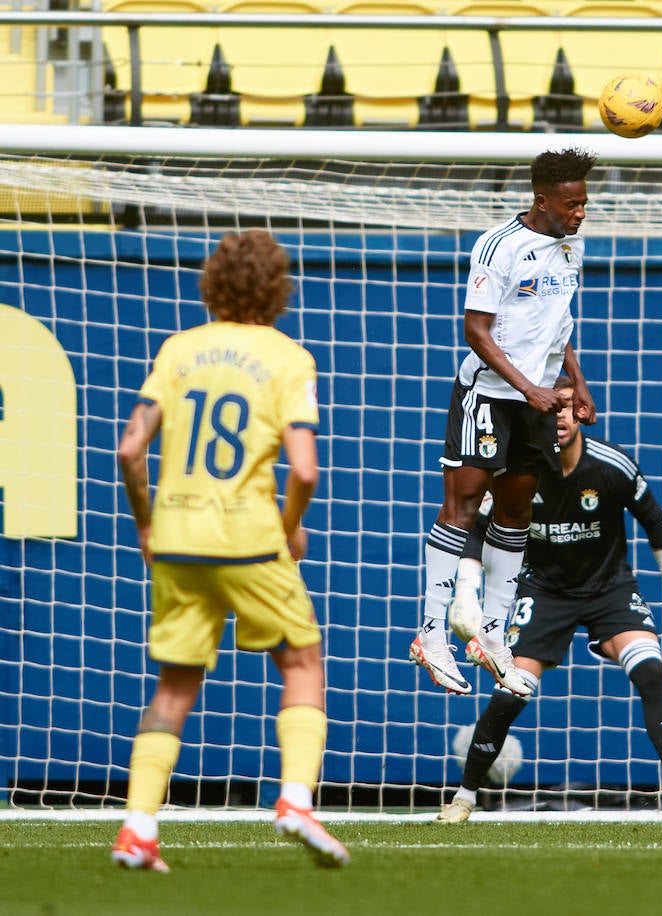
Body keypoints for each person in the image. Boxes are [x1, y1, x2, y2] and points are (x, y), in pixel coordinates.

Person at [110, 230, 348, 872]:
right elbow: (304, 471)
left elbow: (130, 450)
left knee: (174, 685)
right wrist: (288, 528)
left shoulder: (179, 349)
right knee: (300, 660)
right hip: (248, 539)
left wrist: (146, 526)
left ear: (210, 283)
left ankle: (137, 828)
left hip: (178, 537)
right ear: (278, 289)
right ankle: (296, 800)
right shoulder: (288, 358)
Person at [438, 377, 662, 823]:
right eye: (551, 409)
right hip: (544, 591)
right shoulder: (519, 471)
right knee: (511, 693)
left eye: (567, 408)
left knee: (650, 668)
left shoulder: (612, 465)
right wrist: (467, 592)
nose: (560, 417)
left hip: (609, 589)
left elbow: (656, 525)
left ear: (581, 414)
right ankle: (464, 798)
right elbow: (476, 530)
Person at [410, 148, 599, 699]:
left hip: (536, 404)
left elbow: (559, 325)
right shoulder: (498, 246)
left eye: (585, 203)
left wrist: (576, 382)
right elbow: (475, 330)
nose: (580, 213)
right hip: (489, 398)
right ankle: (432, 634)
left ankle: (492, 636)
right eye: (571, 204)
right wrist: (528, 388)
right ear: (543, 199)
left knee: (516, 513)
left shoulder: (571, 248)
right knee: (463, 507)